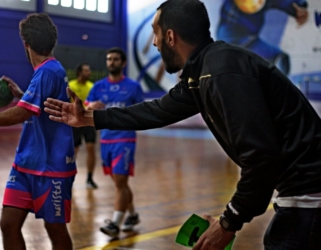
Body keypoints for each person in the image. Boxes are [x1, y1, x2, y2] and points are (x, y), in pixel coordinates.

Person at [44, 0, 321, 249]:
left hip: (310, 195)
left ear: (170, 36)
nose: (153, 43)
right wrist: (89, 118)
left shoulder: (221, 73)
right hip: (300, 193)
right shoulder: (202, 72)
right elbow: (156, 111)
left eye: (155, 33)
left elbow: (260, 157)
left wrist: (228, 222)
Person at [0, 13, 76, 250]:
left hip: (52, 168)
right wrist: (21, 95)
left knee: (55, 230)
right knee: (8, 223)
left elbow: (22, 113)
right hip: (26, 164)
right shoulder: (45, 72)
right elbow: (35, 105)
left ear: (25, 44)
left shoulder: (48, 71)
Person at [86, 47, 144, 238]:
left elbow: (143, 113)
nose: (112, 62)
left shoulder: (133, 87)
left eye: (116, 59)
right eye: (109, 59)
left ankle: (115, 224)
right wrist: (90, 106)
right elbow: (86, 106)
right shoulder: (98, 87)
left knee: (120, 181)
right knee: (121, 183)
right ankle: (133, 215)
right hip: (105, 140)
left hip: (125, 139)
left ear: (123, 63)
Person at [217, 0, 309, 75]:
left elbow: (280, 2)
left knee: (280, 59)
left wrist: (298, 7)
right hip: (230, 40)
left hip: (251, 40)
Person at [69, 63, 98, 189]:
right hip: (75, 122)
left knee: (90, 147)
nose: (89, 72)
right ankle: (69, 178)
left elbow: (94, 103)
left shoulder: (92, 87)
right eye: (86, 70)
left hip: (89, 121)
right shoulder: (71, 85)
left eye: (89, 70)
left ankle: (90, 178)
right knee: (73, 150)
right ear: (80, 73)